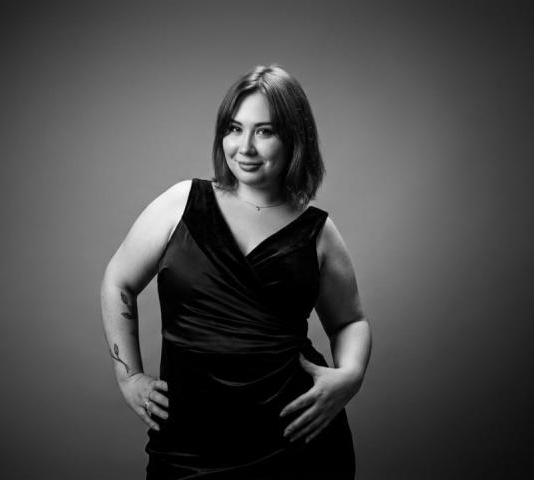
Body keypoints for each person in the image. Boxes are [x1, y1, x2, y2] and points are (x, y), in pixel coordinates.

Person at [100, 64, 372, 479]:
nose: (244, 147)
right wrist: (129, 377)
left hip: (297, 443)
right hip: (188, 447)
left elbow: (349, 321)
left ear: (294, 139)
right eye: (234, 128)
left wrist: (350, 376)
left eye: (264, 131)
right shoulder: (182, 203)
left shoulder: (317, 231)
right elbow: (118, 280)